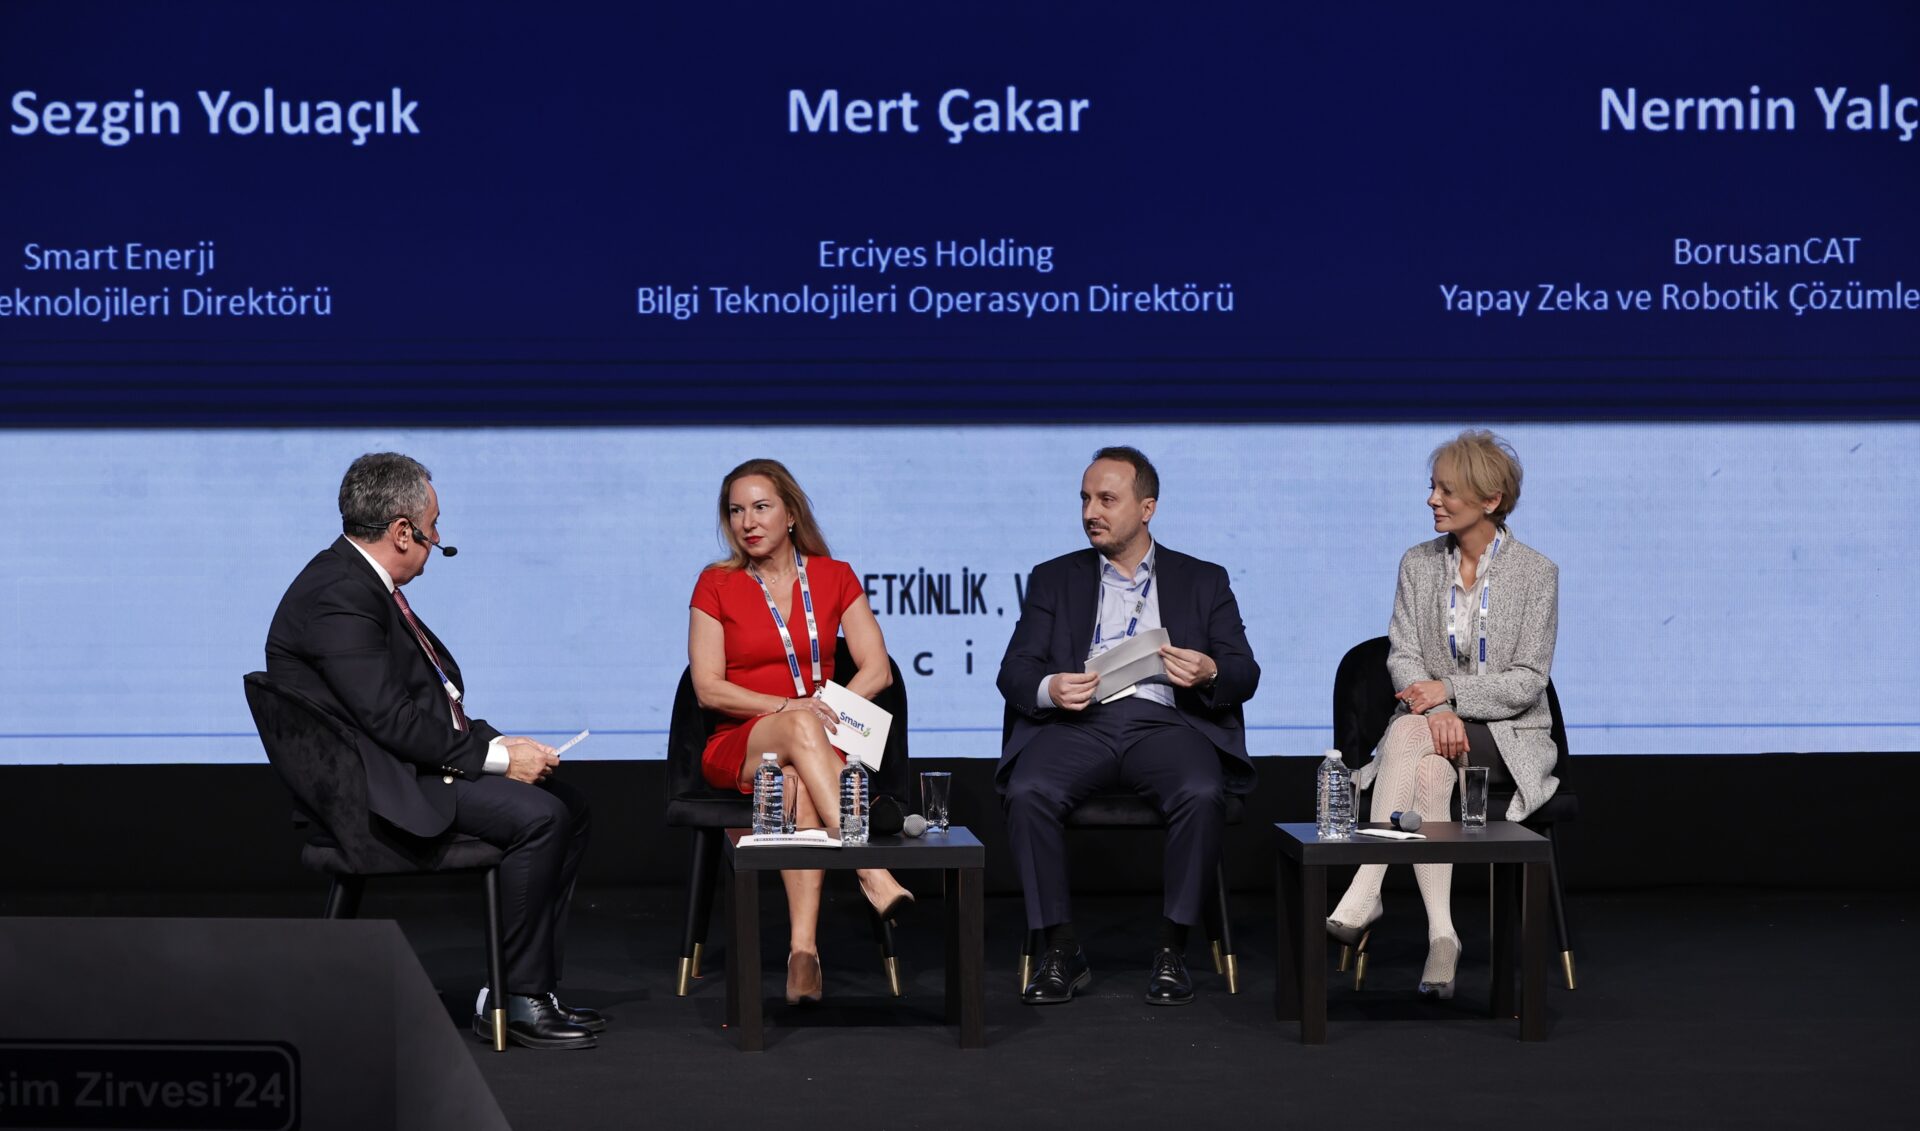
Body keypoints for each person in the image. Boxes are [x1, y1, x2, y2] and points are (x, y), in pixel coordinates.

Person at [265, 453, 600, 1049]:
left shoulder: (362, 583)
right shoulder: (340, 594)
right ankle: (514, 998)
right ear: (402, 531)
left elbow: (421, 704)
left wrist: (498, 741)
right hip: (375, 790)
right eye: (433, 525)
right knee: (543, 817)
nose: (438, 539)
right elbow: (389, 720)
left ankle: (534, 987)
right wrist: (500, 762)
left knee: (568, 805)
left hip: (404, 765)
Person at [997, 447, 1260, 1006]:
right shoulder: (1053, 578)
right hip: (1079, 724)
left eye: (1106, 500)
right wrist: (1050, 688)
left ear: (1147, 508)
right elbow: (1014, 671)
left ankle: (1172, 947)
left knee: (1201, 790)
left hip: (1166, 722)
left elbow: (1244, 671)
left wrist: (1210, 671)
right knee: (1028, 790)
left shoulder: (1202, 579)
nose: (1090, 512)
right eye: (1085, 499)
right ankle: (1061, 948)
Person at [1326, 429, 1561, 997]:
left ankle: (1367, 885)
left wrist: (1450, 696)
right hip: (1428, 726)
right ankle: (1443, 936)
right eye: (1432, 487)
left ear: (1491, 499)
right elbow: (1402, 655)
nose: (1432, 499)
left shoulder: (1537, 573)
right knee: (1427, 768)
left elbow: (1529, 680)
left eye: (1447, 490)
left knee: (1410, 734)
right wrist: (1436, 711)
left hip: (1507, 735)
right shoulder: (1418, 563)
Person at [686, 457, 912, 1005]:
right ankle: (869, 870)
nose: (747, 522)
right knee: (799, 731)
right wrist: (790, 707)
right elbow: (708, 689)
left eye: (761, 507)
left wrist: (824, 712)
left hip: (815, 745)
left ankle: (803, 955)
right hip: (741, 742)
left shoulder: (835, 576)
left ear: (790, 514)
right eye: (735, 511)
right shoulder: (716, 584)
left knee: (800, 779)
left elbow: (878, 669)